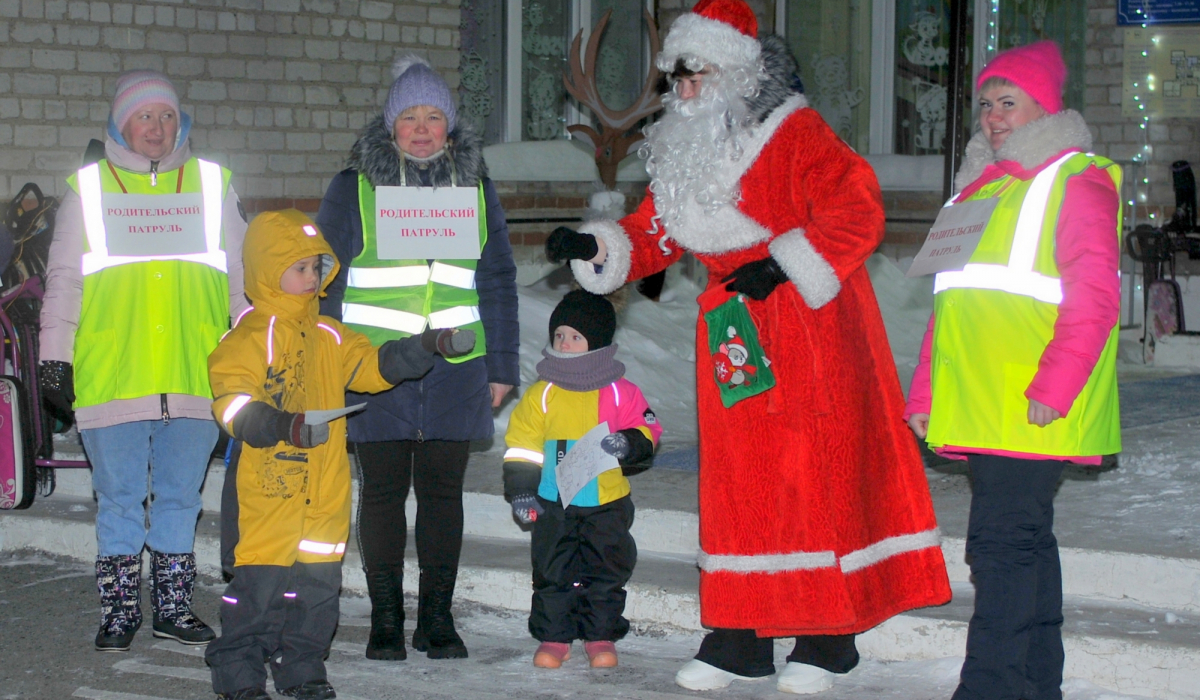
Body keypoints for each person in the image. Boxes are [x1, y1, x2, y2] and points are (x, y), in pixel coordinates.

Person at [545, 0, 951, 693]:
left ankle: (827, 635)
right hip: (733, 329)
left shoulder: (796, 133)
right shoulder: (687, 145)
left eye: (695, 73)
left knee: (808, 475)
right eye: (676, 76)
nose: (683, 90)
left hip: (809, 328)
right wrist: (596, 245)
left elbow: (858, 206)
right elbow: (655, 234)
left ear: (734, 71)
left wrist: (785, 262)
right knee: (740, 482)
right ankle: (740, 634)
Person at [905, 41, 1121, 700]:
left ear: (1044, 108)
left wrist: (1055, 385)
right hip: (981, 401)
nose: (994, 118)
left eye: (1009, 103)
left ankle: (991, 687)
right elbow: (952, 303)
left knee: (1000, 549)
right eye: (987, 105)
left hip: (1031, 401)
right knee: (1024, 544)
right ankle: (1032, 683)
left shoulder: (1073, 179)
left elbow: (1095, 297)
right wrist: (926, 391)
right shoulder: (981, 185)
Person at [203, 209, 475, 700]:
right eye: (300, 268)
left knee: (316, 592)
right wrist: (281, 425)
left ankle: (302, 667)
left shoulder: (329, 334)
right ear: (266, 269)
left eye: (317, 267)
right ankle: (239, 673)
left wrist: (424, 346)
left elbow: (370, 365)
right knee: (258, 592)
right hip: (267, 492)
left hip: (324, 495)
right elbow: (232, 401)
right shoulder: (247, 336)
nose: (312, 278)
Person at [316, 55, 520, 661]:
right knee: (380, 494)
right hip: (377, 370)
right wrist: (329, 360)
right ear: (390, 125)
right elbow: (323, 279)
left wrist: (503, 365)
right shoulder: (352, 187)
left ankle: (437, 617)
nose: (423, 128)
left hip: (459, 370)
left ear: (451, 128)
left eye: (435, 116)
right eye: (411, 117)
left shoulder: (476, 187)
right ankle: (385, 619)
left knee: (441, 495)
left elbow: (499, 278)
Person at [38, 70, 249, 652]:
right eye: (143, 117)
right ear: (119, 125)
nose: (156, 128)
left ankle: (175, 607)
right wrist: (54, 358)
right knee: (119, 500)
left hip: (194, 373)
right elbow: (64, 281)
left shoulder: (212, 184)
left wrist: (255, 348)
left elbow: (240, 278)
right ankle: (120, 608)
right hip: (114, 374)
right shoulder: (90, 188)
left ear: (179, 122)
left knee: (182, 498)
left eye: (165, 116)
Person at [502, 290, 661, 670]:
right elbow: (522, 444)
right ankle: (555, 638)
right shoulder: (544, 393)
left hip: (605, 499)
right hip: (554, 500)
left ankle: (600, 636)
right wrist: (522, 492)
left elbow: (649, 426)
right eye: (560, 336)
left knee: (605, 570)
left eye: (576, 337)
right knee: (553, 570)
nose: (565, 344)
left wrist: (629, 441)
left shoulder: (619, 390)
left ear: (598, 342)